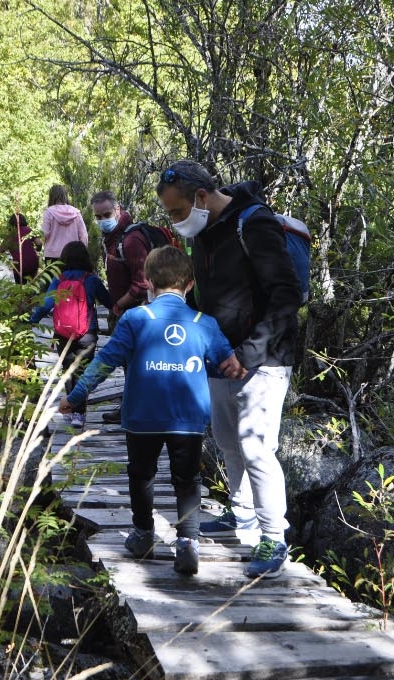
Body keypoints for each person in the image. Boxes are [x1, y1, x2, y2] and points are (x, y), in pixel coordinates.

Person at [58, 246, 246, 576]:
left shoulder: (135, 319)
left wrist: (75, 396)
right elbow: (228, 366)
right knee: (187, 480)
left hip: (142, 416)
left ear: (147, 282)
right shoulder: (204, 323)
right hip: (188, 419)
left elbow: (104, 362)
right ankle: (188, 543)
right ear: (190, 285)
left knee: (141, 475)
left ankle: (144, 533)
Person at [156, 160, 302, 579]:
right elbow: (207, 298)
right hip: (219, 357)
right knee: (225, 440)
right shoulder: (203, 234)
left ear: (200, 197)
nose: (175, 221)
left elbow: (286, 295)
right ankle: (242, 516)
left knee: (257, 447)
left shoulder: (253, 225)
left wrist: (250, 352)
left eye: (176, 212)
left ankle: (274, 537)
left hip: (264, 359)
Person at [30, 240, 111, 428]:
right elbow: (109, 302)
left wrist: (32, 319)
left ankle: (71, 410)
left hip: (62, 333)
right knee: (83, 372)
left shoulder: (58, 278)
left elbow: (47, 304)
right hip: (87, 333)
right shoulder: (91, 279)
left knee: (68, 372)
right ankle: (79, 413)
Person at [90, 189, 149, 424]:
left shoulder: (131, 240)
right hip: (124, 312)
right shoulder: (114, 237)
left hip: (133, 313)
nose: (103, 220)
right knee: (128, 364)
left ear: (118, 209)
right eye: (98, 217)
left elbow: (142, 283)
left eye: (106, 214)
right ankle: (129, 407)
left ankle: (137, 411)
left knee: (136, 364)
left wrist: (119, 305)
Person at [41, 185, 88, 264]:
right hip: (73, 255)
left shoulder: (49, 212)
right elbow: (84, 235)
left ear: (51, 196)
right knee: (71, 276)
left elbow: (44, 234)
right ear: (65, 196)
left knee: (54, 277)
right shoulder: (76, 212)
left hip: (52, 256)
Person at [1, 212, 40, 284]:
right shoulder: (28, 230)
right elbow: (39, 243)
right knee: (34, 287)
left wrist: (8, 261)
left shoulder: (10, 235)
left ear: (11, 223)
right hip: (33, 263)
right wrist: (38, 249)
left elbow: (0, 251)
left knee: (20, 290)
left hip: (18, 265)